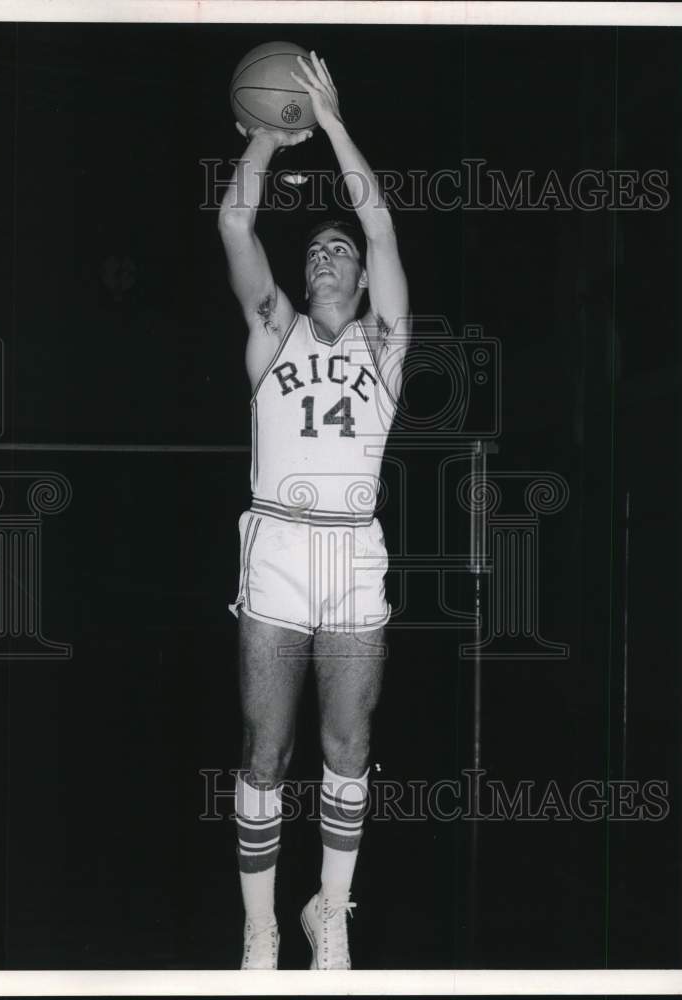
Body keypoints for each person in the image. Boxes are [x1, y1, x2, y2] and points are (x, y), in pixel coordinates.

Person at [218, 50, 409, 970]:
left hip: (353, 557)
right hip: (278, 550)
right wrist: (263, 136)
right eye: (316, 250)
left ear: (363, 280)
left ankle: (326, 911)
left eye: (341, 252)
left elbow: (380, 224)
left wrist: (329, 124)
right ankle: (259, 927)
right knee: (264, 746)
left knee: (347, 742)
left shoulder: (385, 343)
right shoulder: (273, 331)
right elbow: (236, 220)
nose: (328, 254)